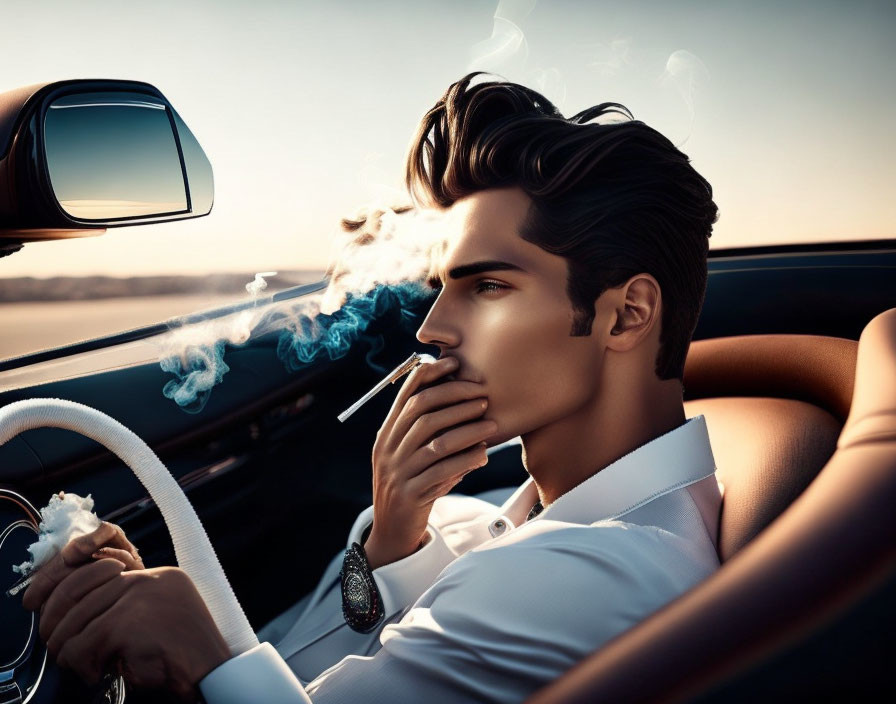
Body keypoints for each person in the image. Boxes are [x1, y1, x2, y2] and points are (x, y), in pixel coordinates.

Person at [23, 72, 721, 703]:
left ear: (625, 314)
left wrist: (204, 655)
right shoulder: (486, 519)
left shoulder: (586, 574)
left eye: (488, 286)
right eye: (442, 287)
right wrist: (391, 540)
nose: (433, 329)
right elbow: (314, 675)